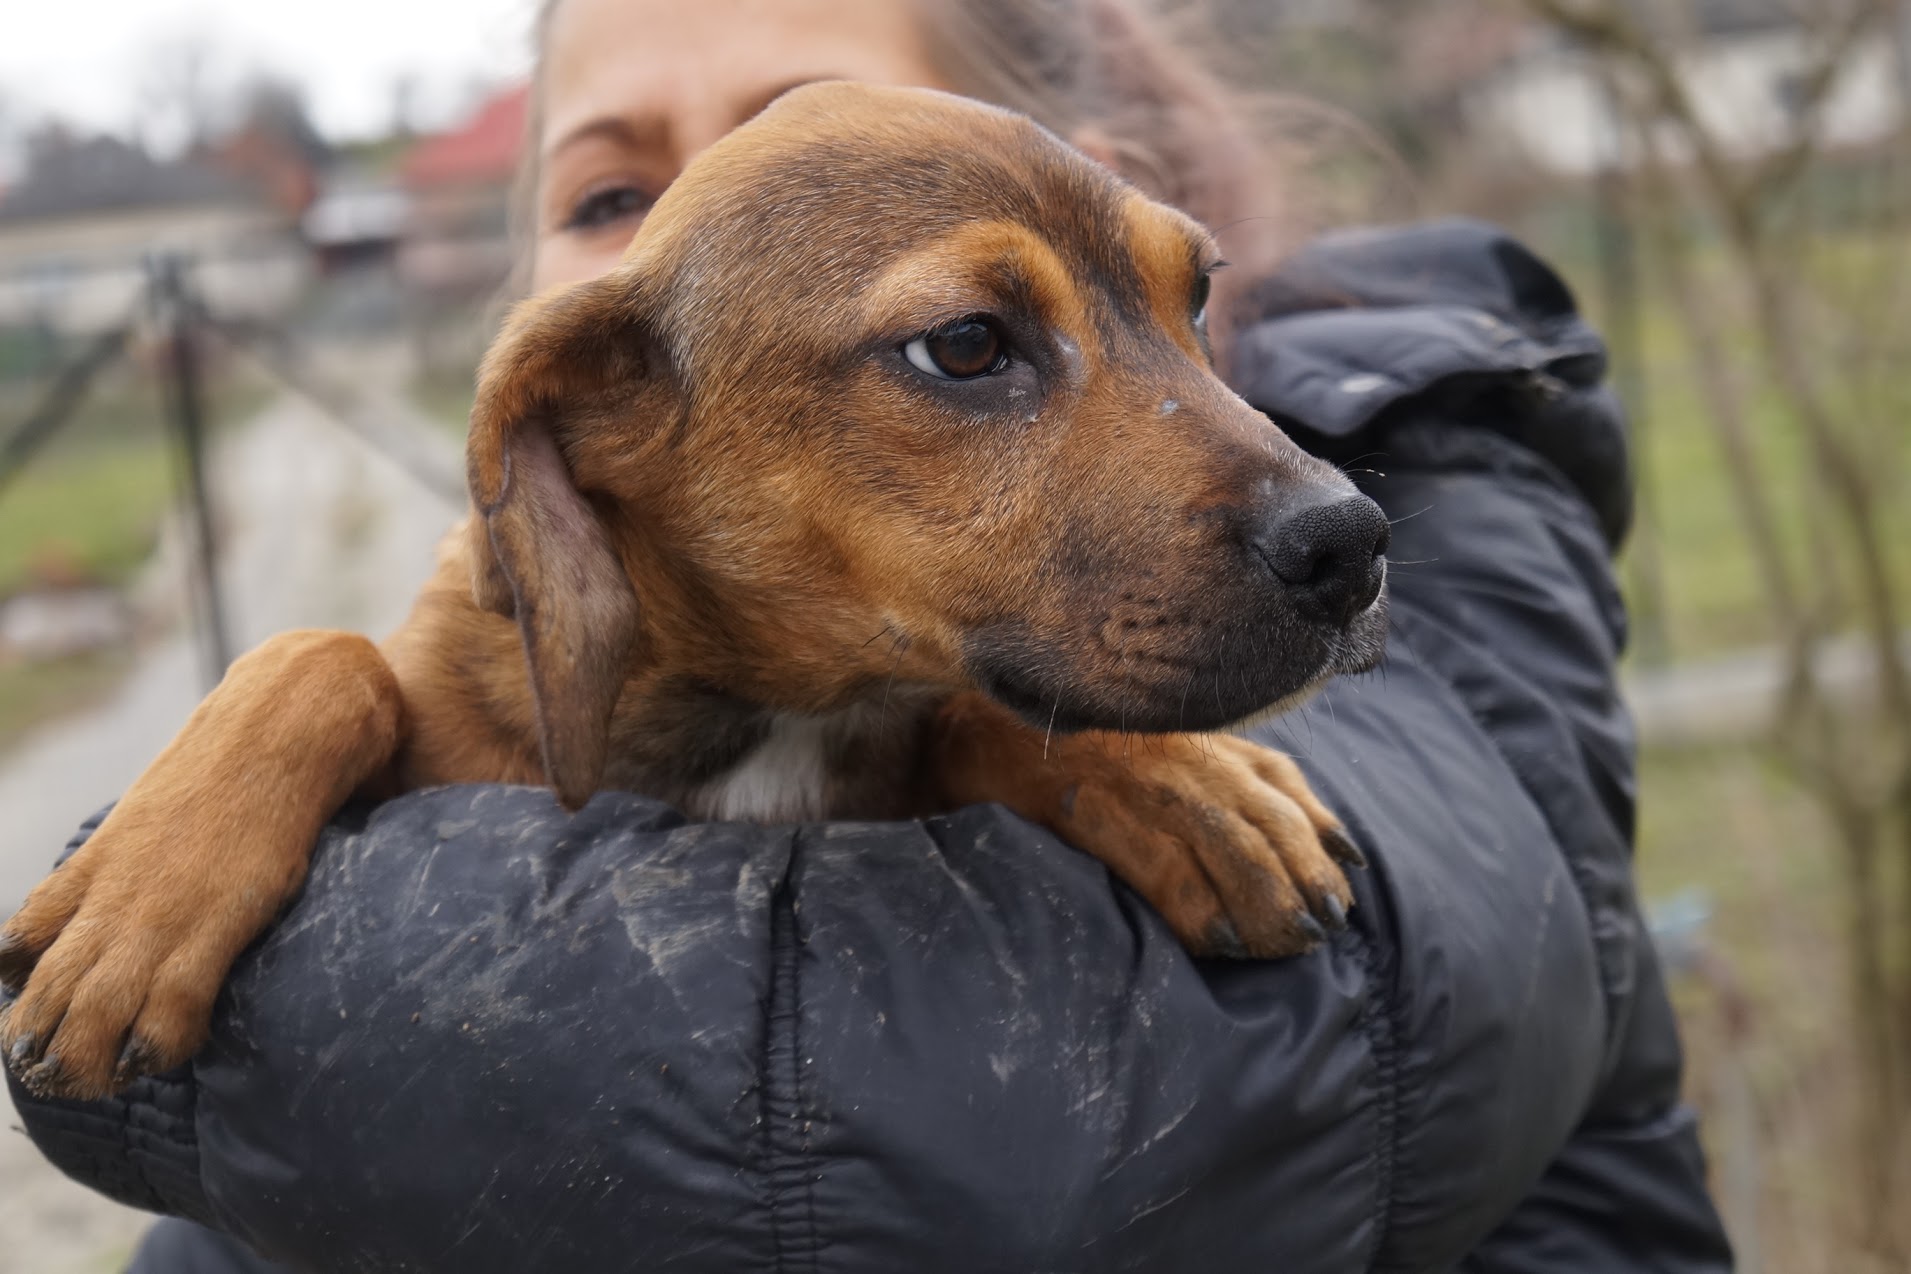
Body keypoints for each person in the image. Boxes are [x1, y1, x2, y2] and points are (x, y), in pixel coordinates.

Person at [7, 1, 1734, 1270]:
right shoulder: (456, 668)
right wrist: (300, 703)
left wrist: (1050, 751)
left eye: (800, 122)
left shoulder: (1452, 479)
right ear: (588, 396)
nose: (702, 204)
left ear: (1078, 164)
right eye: (610, 196)